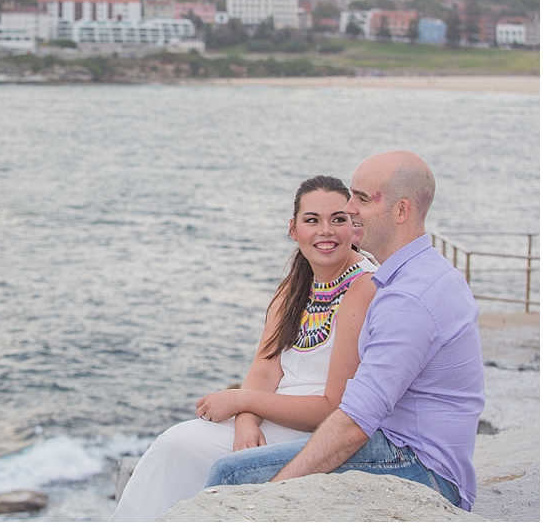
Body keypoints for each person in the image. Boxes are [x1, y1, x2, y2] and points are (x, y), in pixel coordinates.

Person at [206, 151, 485, 511]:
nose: (349, 208)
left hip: (422, 467)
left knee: (230, 477)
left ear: (401, 212)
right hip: (412, 450)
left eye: (363, 199)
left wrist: (275, 497)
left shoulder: (409, 298)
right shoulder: (422, 273)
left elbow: (354, 423)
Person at [109, 175, 377, 521]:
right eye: (312, 220)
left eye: (338, 219)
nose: (325, 230)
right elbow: (264, 369)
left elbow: (333, 407)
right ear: (294, 230)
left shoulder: (364, 287)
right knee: (175, 444)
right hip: (275, 419)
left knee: (179, 446)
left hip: (320, 435)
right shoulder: (293, 288)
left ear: (354, 227)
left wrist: (240, 401)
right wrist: (246, 423)